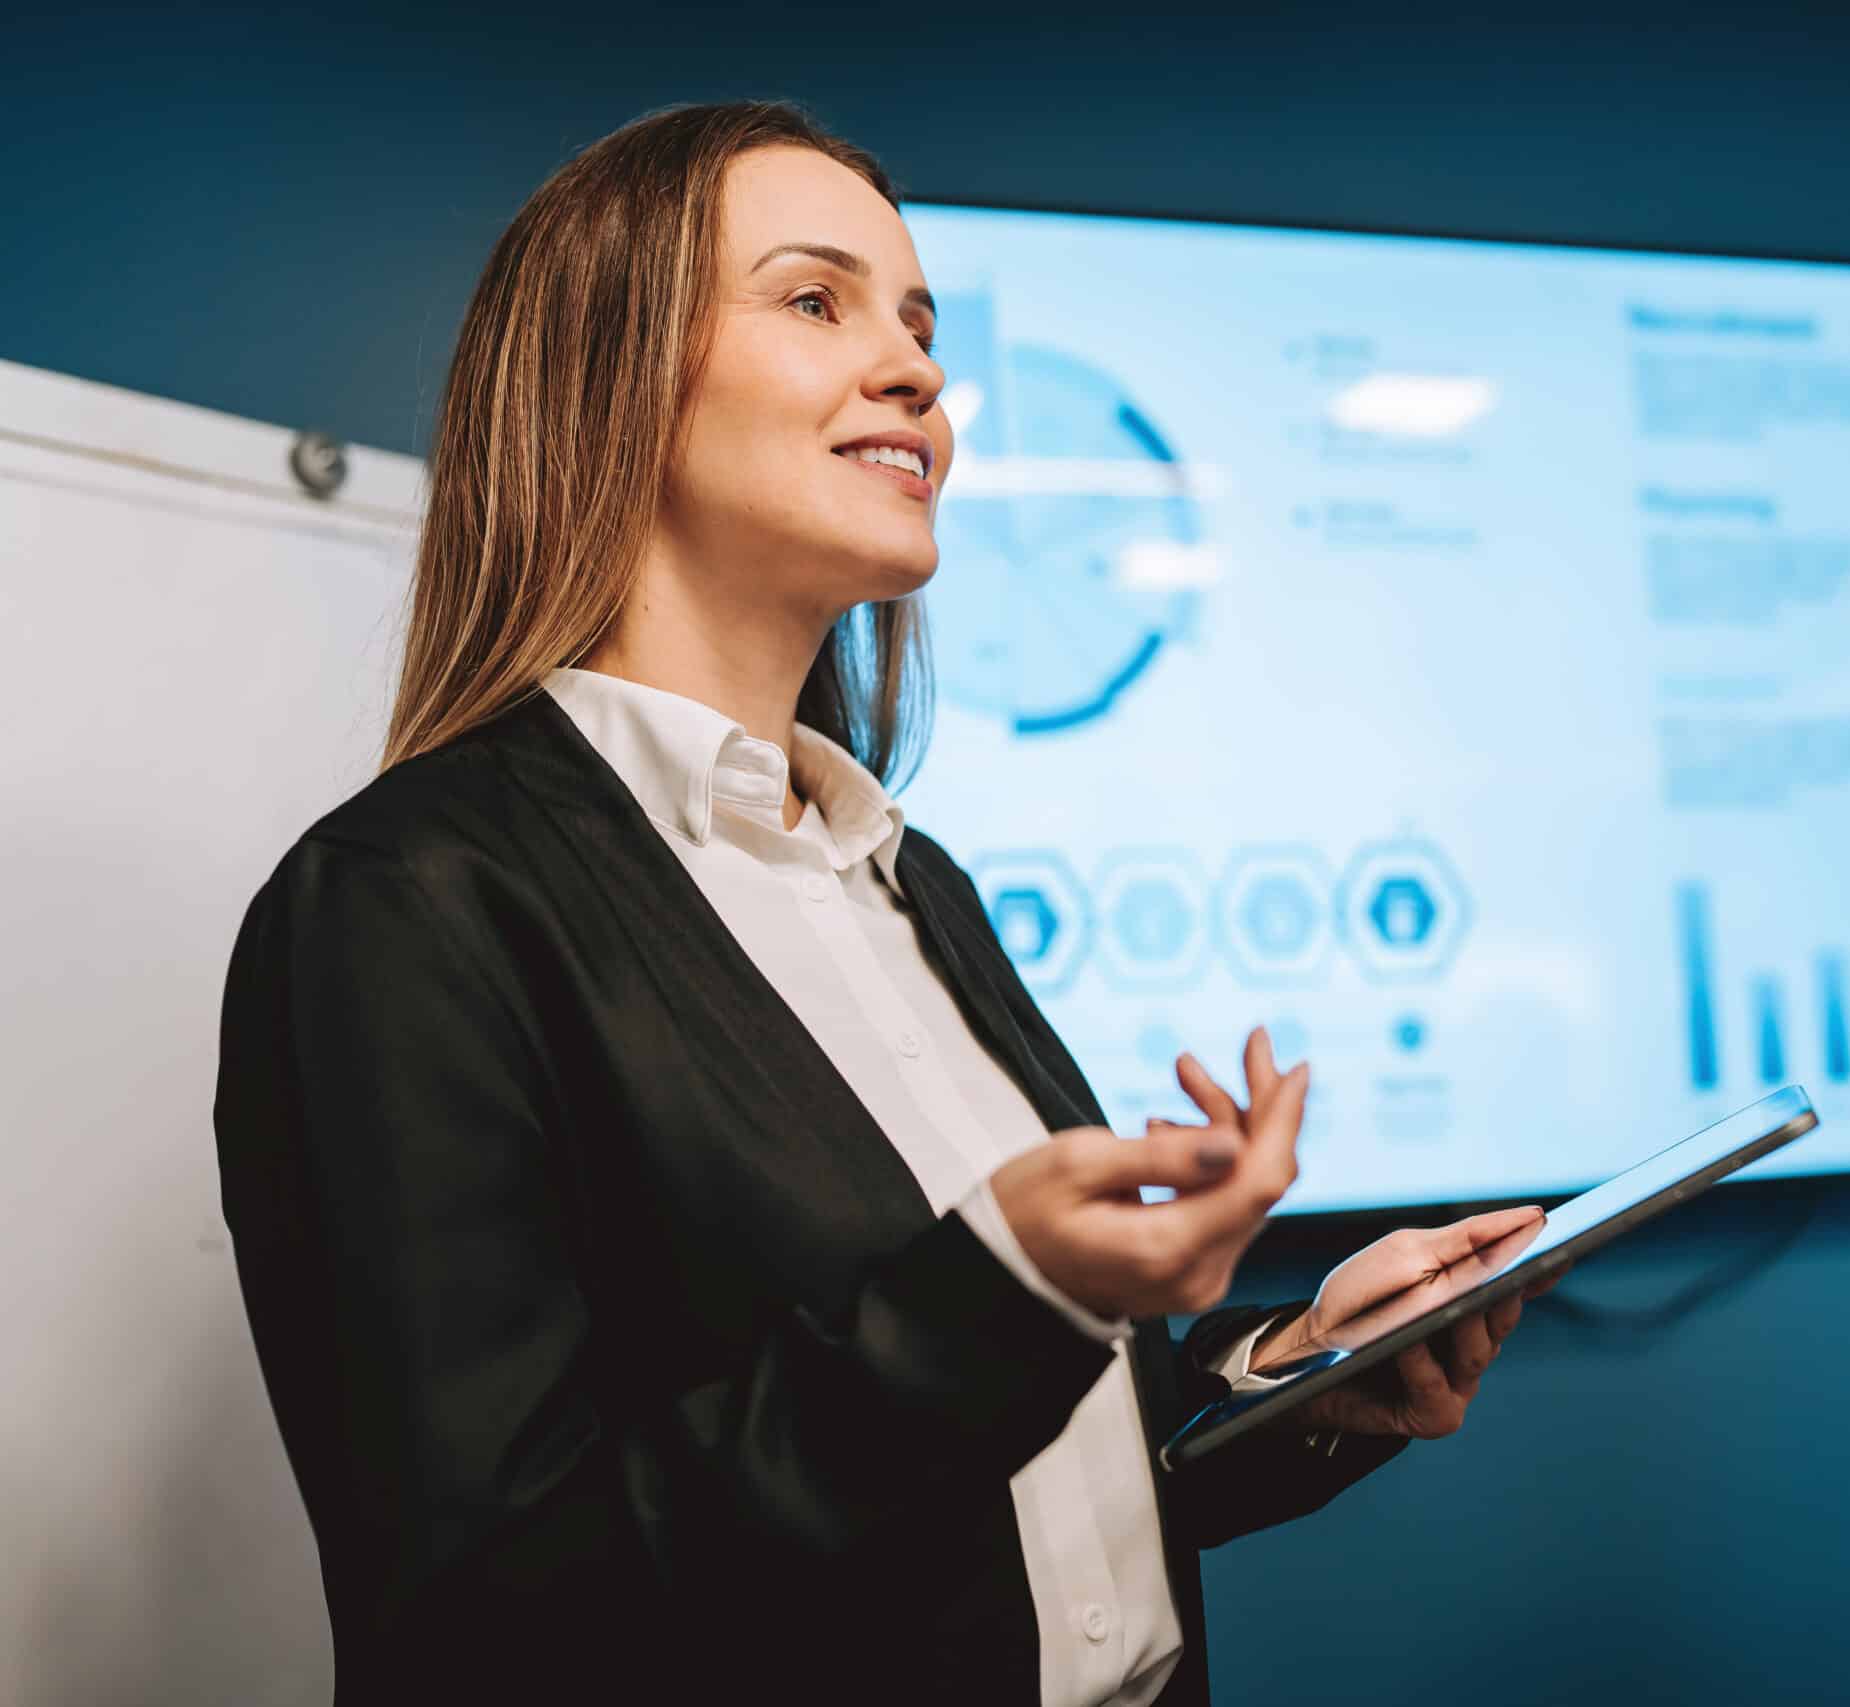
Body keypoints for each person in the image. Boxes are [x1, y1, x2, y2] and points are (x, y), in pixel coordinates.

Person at [211, 99, 1561, 1706]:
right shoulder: (404, 910)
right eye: (815, 300)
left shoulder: (913, 882)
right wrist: (1002, 1298)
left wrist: (1296, 1373)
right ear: (609, 377)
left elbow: (1031, 1527)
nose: (920, 368)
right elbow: (496, 1613)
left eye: (920, 322)